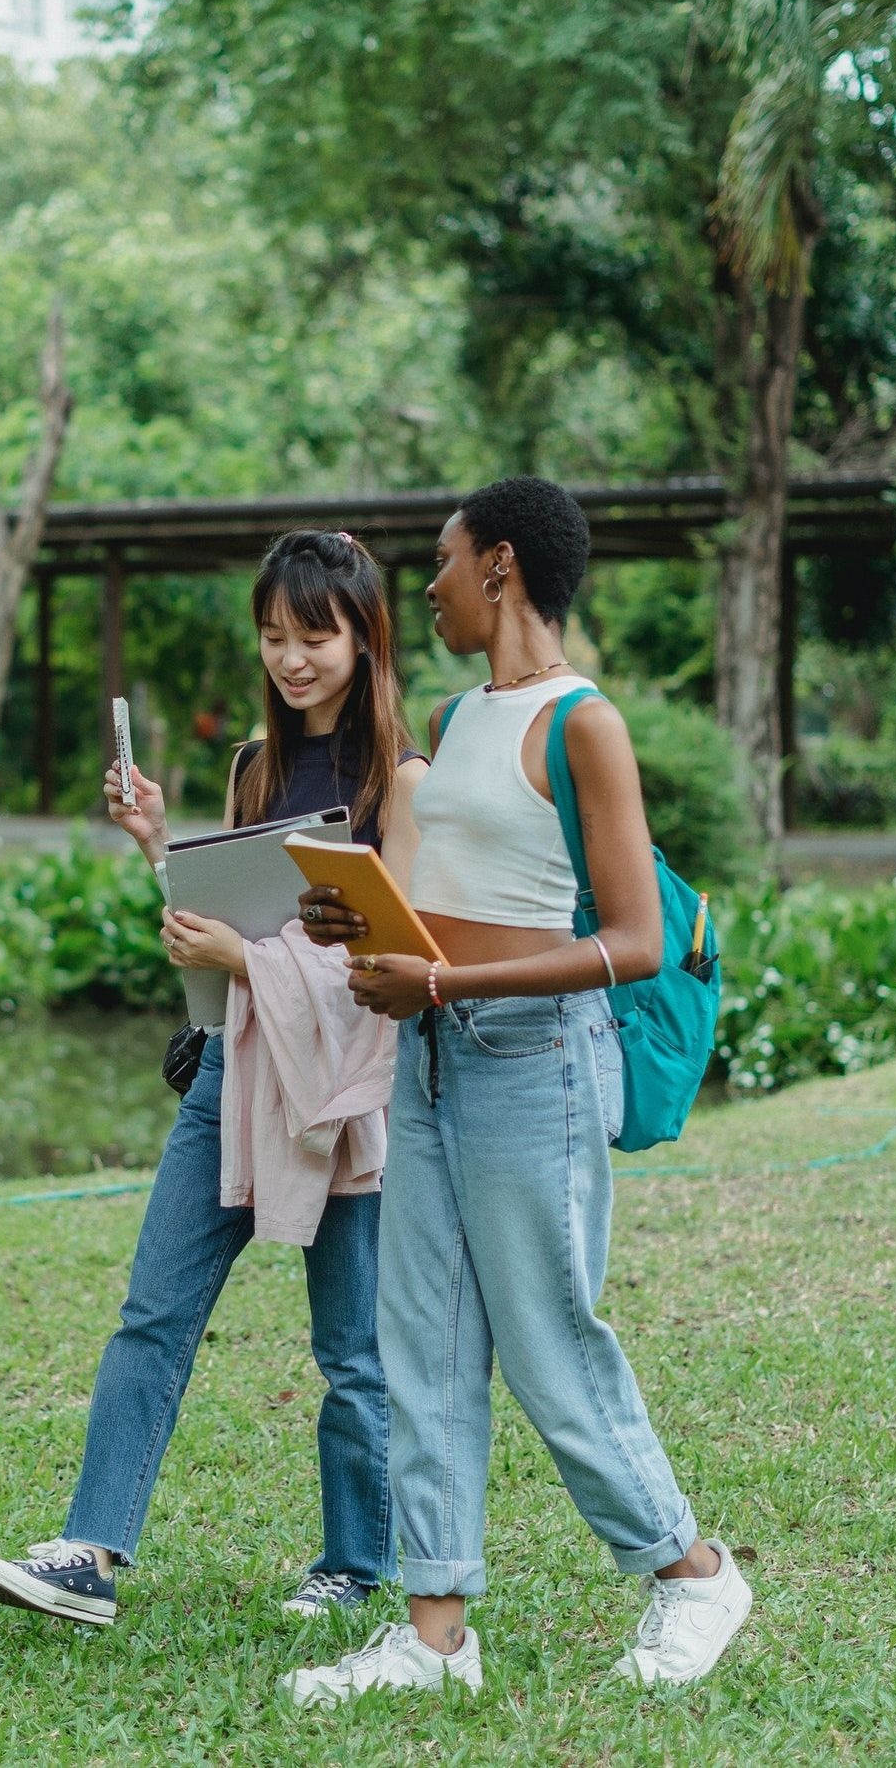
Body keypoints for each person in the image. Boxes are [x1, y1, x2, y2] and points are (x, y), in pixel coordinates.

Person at [285, 478, 751, 1705]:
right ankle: (435, 1635)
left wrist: (436, 984)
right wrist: (357, 921)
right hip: (433, 1062)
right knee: (421, 1342)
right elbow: (441, 893)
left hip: (532, 1062)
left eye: (436, 564)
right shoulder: (451, 709)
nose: (423, 586)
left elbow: (635, 942)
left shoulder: (579, 722)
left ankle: (692, 1571)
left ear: (497, 566)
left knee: (546, 1340)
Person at [0, 530, 426, 1626]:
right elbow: (234, 913)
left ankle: (353, 1561)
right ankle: (89, 1548)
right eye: (273, 635)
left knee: (351, 1349)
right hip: (234, 1069)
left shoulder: (402, 780)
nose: (291, 658)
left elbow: (391, 960)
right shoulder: (254, 768)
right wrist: (158, 843)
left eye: (313, 634)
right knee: (152, 1310)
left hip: (343, 1094)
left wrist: (243, 958)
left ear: (364, 638)